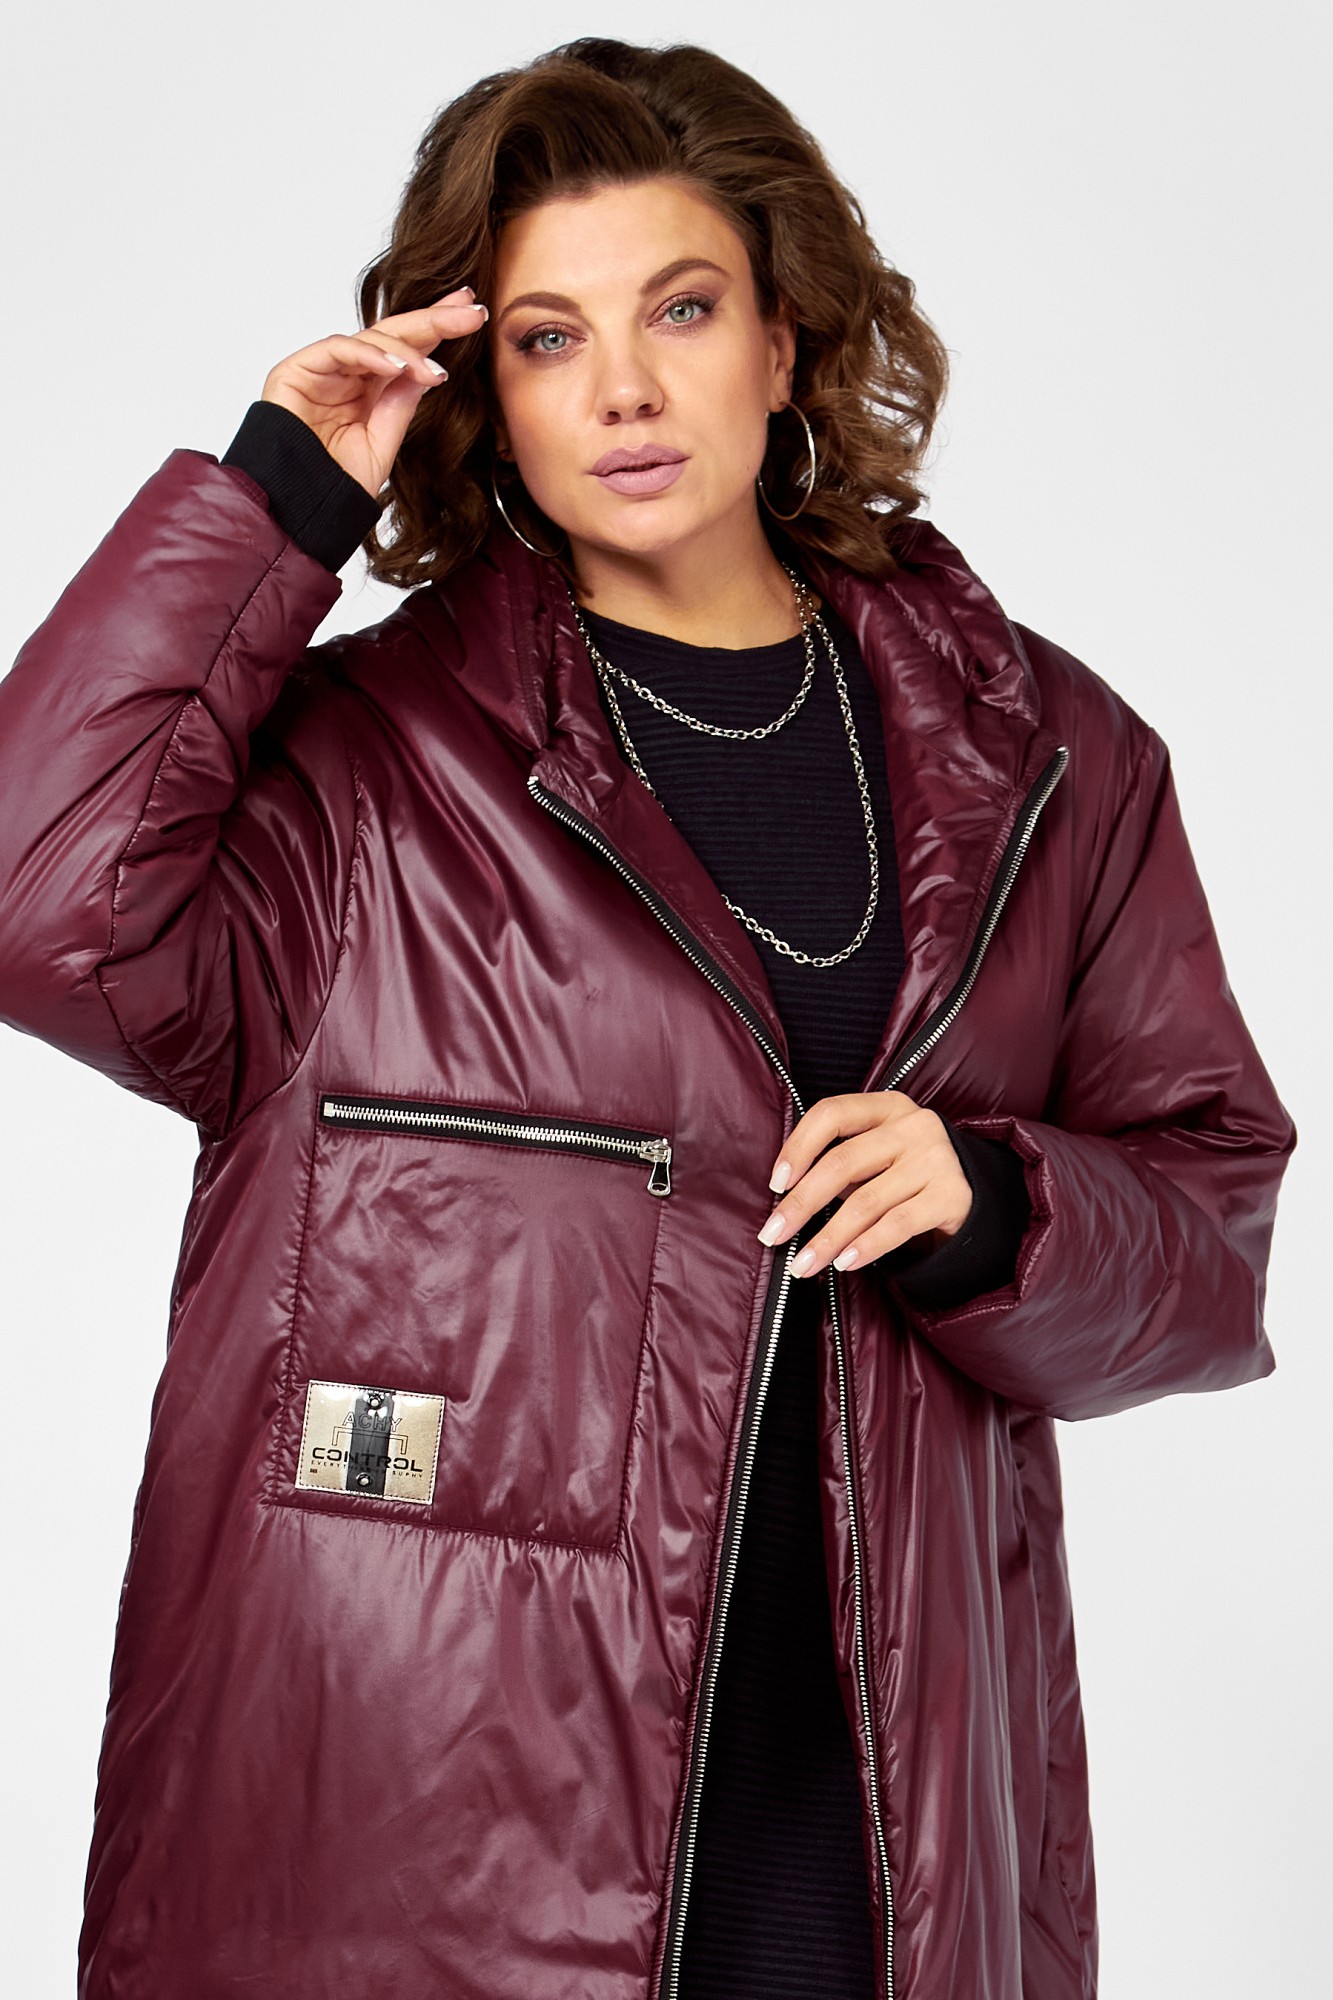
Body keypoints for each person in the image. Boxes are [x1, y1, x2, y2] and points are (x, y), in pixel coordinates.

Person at [0, 35, 1296, 2000]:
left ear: (783, 342)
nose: (620, 386)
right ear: (485, 397)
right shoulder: (357, 774)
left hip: (879, 1848)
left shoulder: (1050, 760)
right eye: (546, 338)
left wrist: (993, 1202)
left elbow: (1209, 1249)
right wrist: (274, 501)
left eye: (679, 310)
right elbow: (43, 905)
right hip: (410, 1874)